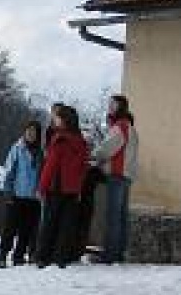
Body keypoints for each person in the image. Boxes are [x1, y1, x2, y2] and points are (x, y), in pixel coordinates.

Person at [35, 104, 90, 268]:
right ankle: (61, 257)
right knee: (66, 226)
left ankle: (43, 257)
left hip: (56, 188)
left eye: (57, 117)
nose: (54, 119)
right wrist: (78, 187)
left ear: (64, 121)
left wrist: (41, 188)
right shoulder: (81, 141)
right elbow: (84, 167)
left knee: (49, 223)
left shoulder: (59, 139)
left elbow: (50, 166)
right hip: (72, 190)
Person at [92, 94, 139, 264]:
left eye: (113, 104)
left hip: (117, 175)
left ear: (120, 107)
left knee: (113, 216)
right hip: (126, 176)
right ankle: (119, 253)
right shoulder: (130, 127)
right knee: (121, 216)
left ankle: (110, 255)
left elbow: (107, 149)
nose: (109, 106)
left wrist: (94, 155)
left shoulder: (121, 126)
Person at [0, 121, 43, 267]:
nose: (31, 134)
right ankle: (3, 255)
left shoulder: (41, 152)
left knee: (26, 229)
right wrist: (8, 192)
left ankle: (19, 256)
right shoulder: (17, 149)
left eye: (34, 132)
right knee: (10, 228)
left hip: (34, 197)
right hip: (16, 195)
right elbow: (9, 171)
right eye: (28, 131)